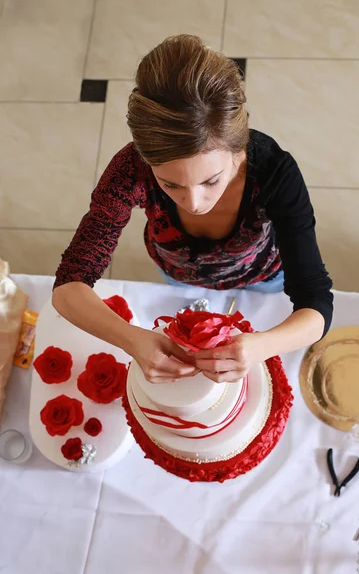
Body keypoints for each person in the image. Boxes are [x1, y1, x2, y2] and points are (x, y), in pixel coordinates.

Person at [52, 34, 333, 385]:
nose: (194, 203)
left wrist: (260, 347)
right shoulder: (129, 170)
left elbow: (316, 304)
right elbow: (69, 285)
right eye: (170, 185)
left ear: (237, 149)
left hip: (263, 274)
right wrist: (132, 339)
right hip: (176, 270)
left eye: (211, 181)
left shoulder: (276, 171)